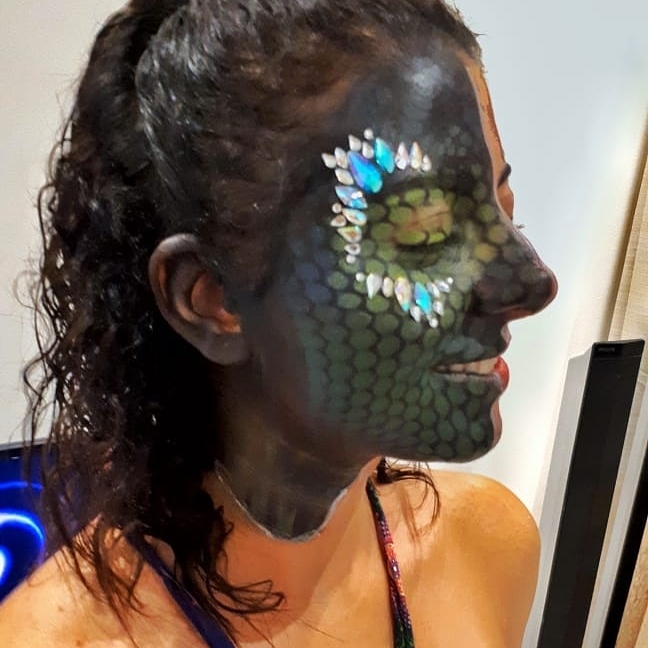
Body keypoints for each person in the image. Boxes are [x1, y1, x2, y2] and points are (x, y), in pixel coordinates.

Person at [0, 0, 557, 646]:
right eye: (426, 232)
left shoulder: (486, 549)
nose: (532, 283)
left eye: (504, 212)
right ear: (213, 298)